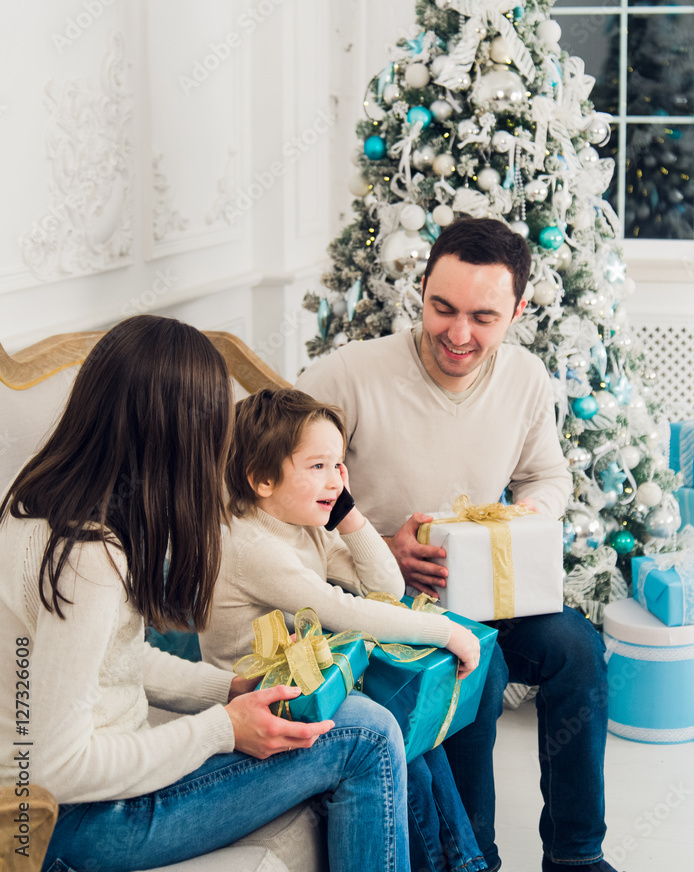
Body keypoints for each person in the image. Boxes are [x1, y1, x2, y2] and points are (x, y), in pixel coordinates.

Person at [0, 316, 411, 872]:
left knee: (354, 716)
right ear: (179, 438)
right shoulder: (90, 558)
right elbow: (56, 767)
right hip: (75, 823)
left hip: (70, 808)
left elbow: (110, 661)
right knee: (366, 733)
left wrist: (228, 689)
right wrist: (223, 729)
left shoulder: (33, 500)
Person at [297, 217, 617, 872]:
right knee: (480, 668)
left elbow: (547, 475)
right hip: (382, 601)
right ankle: (476, 859)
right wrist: (375, 549)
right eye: (442, 308)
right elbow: (281, 499)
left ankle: (577, 856)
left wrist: (526, 516)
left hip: (485, 590)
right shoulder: (347, 376)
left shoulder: (526, 378)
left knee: (578, 650)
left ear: (518, 312)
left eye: (483, 317)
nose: (459, 334)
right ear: (420, 290)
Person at [200, 386, 488, 872]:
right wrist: (443, 632)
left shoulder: (304, 523)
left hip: (311, 684)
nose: (334, 479)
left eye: (339, 465)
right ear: (262, 479)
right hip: (264, 704)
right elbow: (344, 611)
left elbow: (386, 586)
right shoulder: (251, 546)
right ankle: (462, 864)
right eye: (317, 466)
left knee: (412, 733)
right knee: (392, 729)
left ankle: (466, 863)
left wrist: (347, 512)